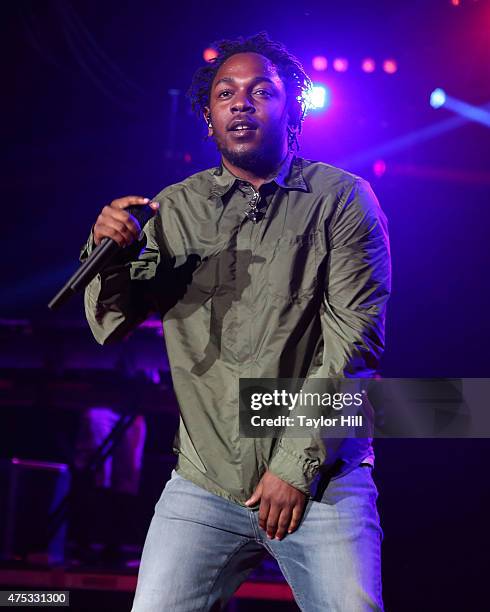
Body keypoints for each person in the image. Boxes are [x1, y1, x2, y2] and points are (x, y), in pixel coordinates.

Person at [82, 32, 391, 611]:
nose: (241, 102)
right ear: (208, 118)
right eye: (226, 93)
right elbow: (112, 323)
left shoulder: (342, 201)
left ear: (294, 108)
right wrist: (110, 255)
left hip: (322, 479)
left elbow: (354, 348)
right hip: (207, 482)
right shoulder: (175, 208)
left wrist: (294, 468)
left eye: (261, 91)